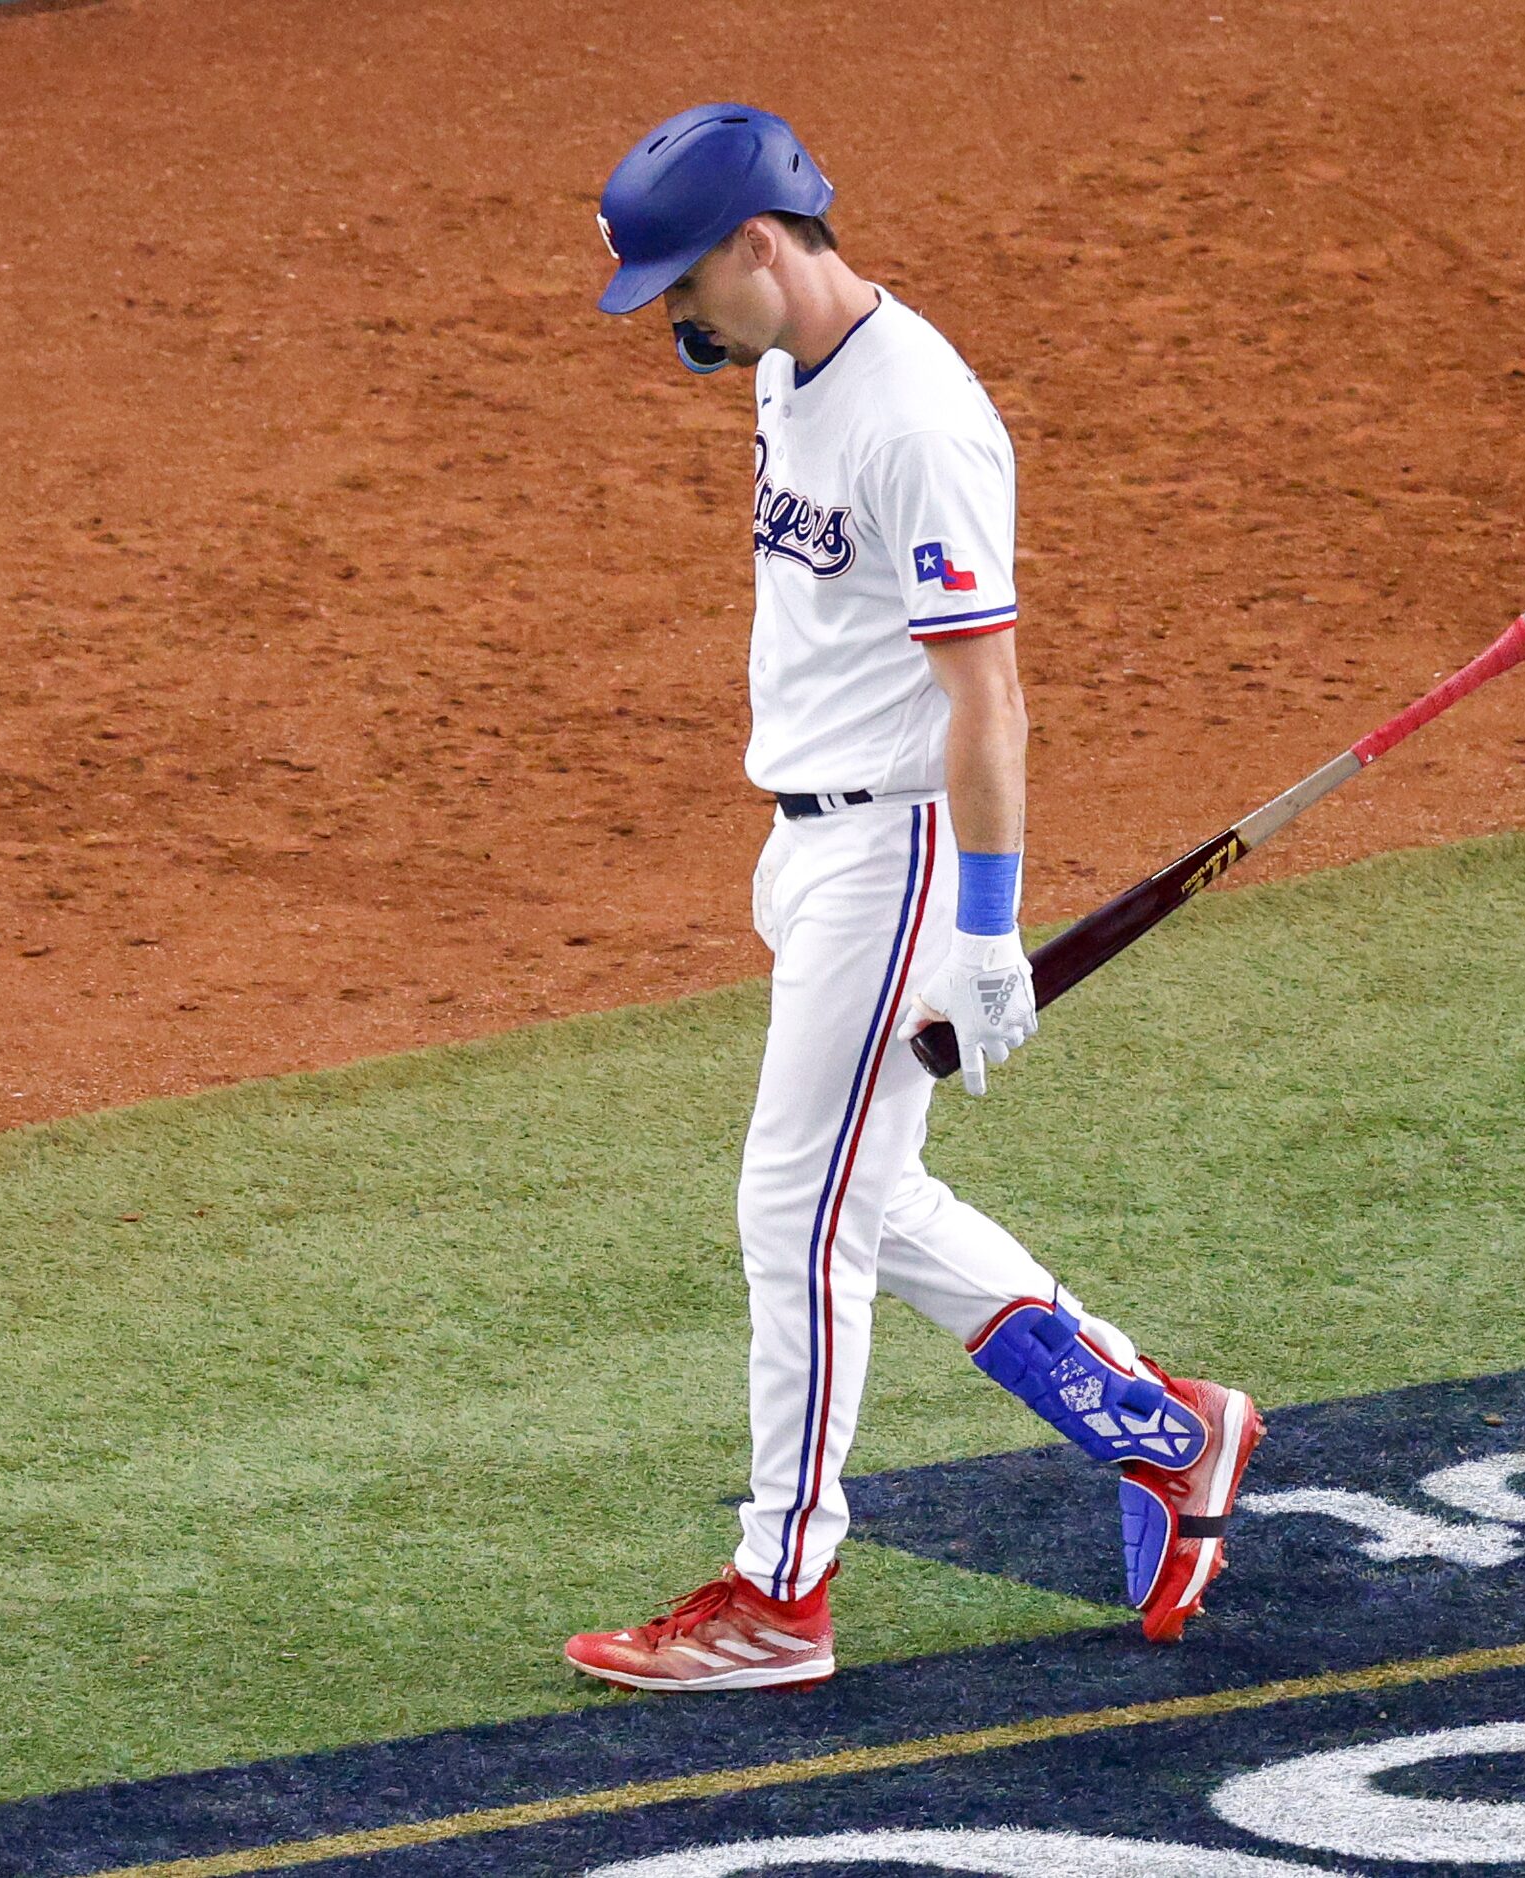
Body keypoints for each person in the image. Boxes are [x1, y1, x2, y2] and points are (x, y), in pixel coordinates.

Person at [562, 104, 1265, 1694]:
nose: (670, 314)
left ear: (761, 244)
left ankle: (778, 1591)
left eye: (684, 281)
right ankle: (1168, 1433)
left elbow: (989, 697)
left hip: (898, 855)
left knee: (792, 1214)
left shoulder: (921, 423)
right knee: (863, 1199)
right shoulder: (779, 369)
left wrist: (985, 925)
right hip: (812, 846)